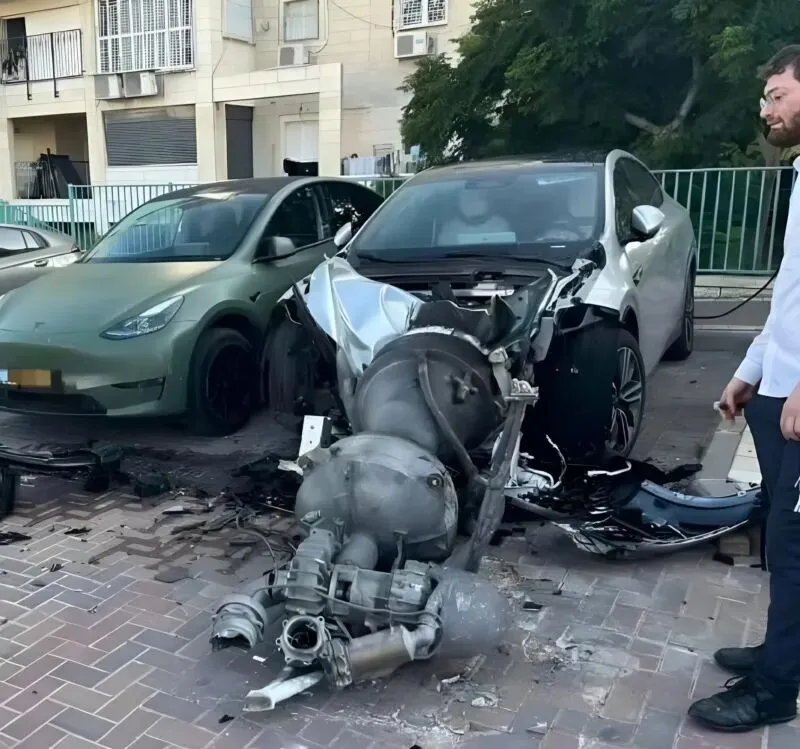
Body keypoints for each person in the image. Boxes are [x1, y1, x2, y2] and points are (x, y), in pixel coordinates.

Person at [687, 45, 800, 733]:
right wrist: (751, 370)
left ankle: (776, 690)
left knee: (794, 543)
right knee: (780, 536)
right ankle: (782, 652)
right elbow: (792, 295)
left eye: (778, 94)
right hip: (778, 390)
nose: (766, 110)